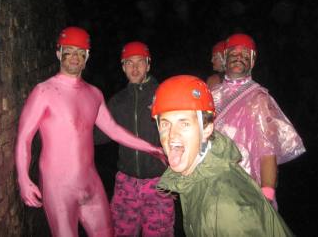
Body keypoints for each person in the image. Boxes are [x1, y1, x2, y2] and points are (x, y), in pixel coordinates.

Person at [15, 27, 165, 237]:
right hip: (58, 188)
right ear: (58, 54)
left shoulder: (94, 94)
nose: (75, 57)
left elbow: (113, 130)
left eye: (80, 52)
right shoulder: (43, 92)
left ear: (86, 57)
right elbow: (24, 138)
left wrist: (151, 148)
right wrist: (23, 178)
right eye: (69, 51)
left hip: (91, 183)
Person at [153, 75, 294, 237]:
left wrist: (268, 192)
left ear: (207, 129)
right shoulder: (194, 176)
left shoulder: (226, 208)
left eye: (184, 124)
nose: (172, 135)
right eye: (165, 124)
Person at [211, 33, 306, 208]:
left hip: (245, 191)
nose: (239, 57)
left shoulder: (258, 99)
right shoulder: (211, 95)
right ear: (225, 58)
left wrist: (267, 196)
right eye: (234, 53)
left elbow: (268, 152)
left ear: (253, 62)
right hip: (211, 186)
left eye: (245, 55)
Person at [95, 41, 174, 236]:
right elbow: (100, 136)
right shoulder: (117, 101)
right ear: (123, 67)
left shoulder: (164, 94)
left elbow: (180, 137)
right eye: (129, 63)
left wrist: (176, 176)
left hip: (158, 182)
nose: (135, 68)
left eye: (140, 62)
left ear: (148, 65)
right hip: (126, 183)